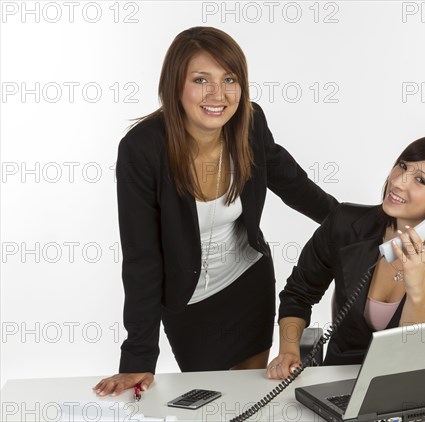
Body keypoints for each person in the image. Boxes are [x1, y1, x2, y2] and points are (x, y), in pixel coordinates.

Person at [93, 26, 338, 397]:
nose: (218, 95)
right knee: (211, 401)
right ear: (175, 85)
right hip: (186, 301)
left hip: (247, 282)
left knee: (249, 397)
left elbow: (294, 185)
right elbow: (142, 258)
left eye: (229, 79)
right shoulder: (142, 149)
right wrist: (137, 358)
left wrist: (356, 225)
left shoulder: (249, 123)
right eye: (200, 80)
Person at [267, 135, 425, 379]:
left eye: (420, 180)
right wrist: (288, 351)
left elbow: (417, 358)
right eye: (403, 166)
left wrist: (416, 292)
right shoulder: (344, 223)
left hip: (405, 385)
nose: (398, 181)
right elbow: (299, 293)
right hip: (336, 379)